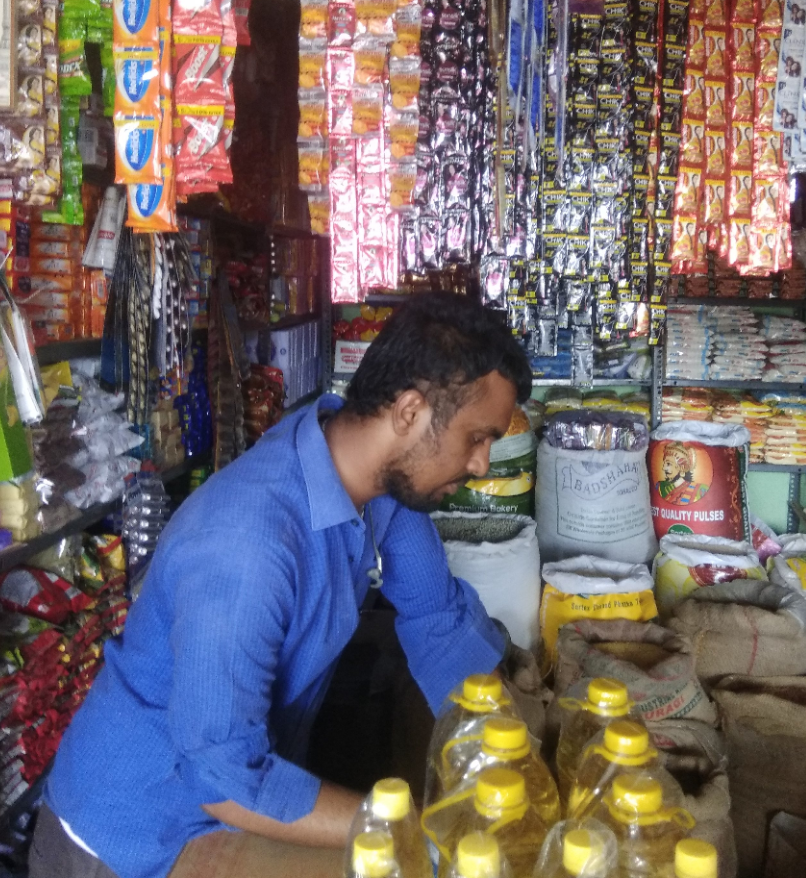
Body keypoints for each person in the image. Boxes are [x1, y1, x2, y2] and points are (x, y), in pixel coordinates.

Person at [29, 293, 533, 878]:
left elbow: (438, 620)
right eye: (477, 437)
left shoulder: (378, 484)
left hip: (237, 784)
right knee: (408, 858)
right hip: (139, 828)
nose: (481, 464)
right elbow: (224, 781)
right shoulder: (246, 545)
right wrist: (408, 824)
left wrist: (508, 754)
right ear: (409, 412)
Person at [656, 441, 709, 506]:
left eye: (668, 464)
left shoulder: (700, 490)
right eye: (664, 464)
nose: (664, 468)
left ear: (682, 468)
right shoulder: (660, 487)